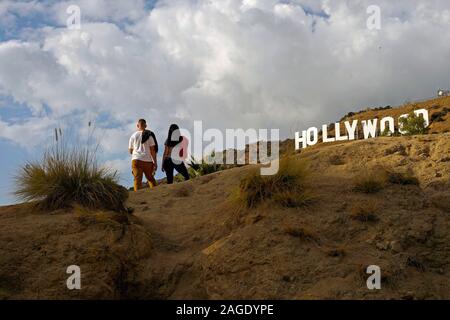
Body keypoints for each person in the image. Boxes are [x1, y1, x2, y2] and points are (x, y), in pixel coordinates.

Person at [129, 119, 158, 191]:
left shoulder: (133, 136)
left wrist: (136, 152)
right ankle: (156, 194)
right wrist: (155, 162)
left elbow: (130, 150)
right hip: (147, 160)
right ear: (145, 126)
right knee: (150, 179)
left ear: (137, 125)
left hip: (136, 160)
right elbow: (152, 150)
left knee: (137, 180)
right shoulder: (150, 136)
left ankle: (137, 198)